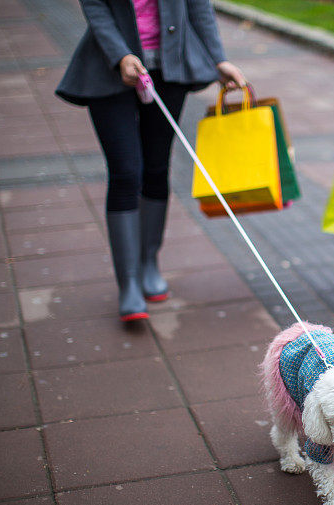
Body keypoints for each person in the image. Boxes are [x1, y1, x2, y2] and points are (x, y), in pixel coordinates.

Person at [56, 0, 246, 321]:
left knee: (157, 169)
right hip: (108, 68)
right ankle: (128, 283)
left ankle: (148, 263)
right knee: (126, 173)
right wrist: (121, 55)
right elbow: (94, 5)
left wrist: (219, 59)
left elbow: (198, 6)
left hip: (171, 69)